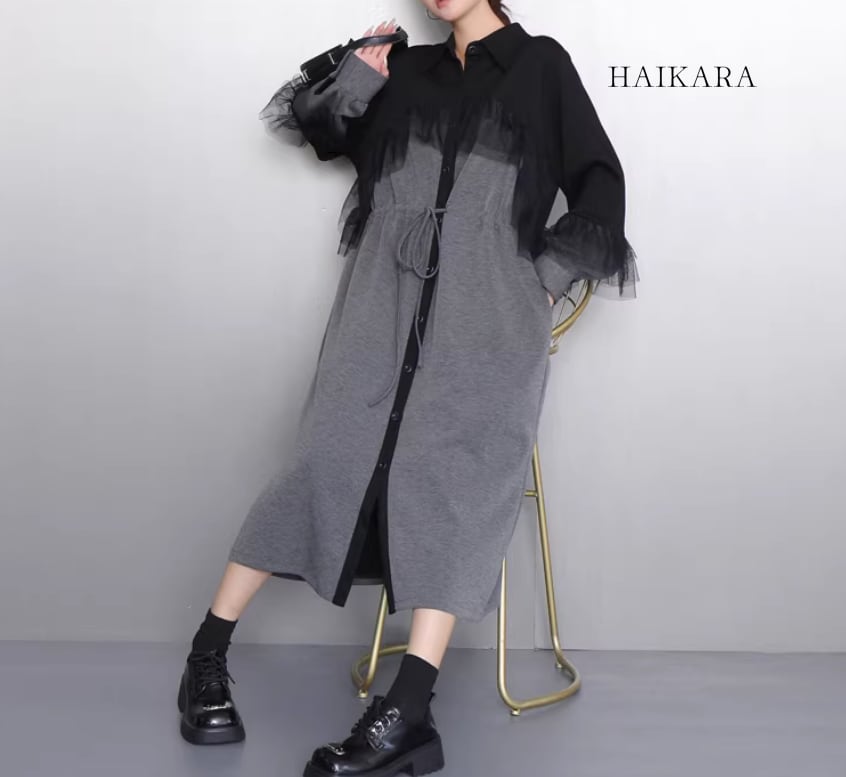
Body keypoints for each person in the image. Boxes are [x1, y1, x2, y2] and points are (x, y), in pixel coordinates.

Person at [177, 2, 639, 776]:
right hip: (378, 303)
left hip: (485, 319)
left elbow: (601, 183)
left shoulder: (541, 66)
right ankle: (205, 657)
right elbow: (318, 127)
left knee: (450, 486)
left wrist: (539, 280)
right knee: (321, 464)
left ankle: (408, 711)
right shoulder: (409, 69)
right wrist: (359, 73)